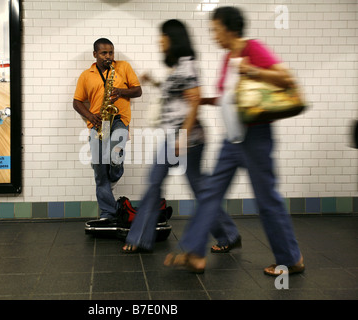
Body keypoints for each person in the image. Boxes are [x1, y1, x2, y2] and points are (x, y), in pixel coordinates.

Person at [164, 6, 305, 276]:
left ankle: (291, 259)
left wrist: (251, 70)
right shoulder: (228, 58)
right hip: (232, 141)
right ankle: (194, 253)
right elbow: (228, 98)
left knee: (267, 201)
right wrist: (204, 99)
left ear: (230, 28)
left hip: (256, 138)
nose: (213, 35)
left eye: (215, 29)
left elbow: (285, 78)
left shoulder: (253, 49)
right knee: (210, 194)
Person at [122, 19, 206, 253]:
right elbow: (176, 95)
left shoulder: (188, 65)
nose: (160, 40)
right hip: (177, 136)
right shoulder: (179, 66)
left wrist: (183, 136)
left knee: (155, 182)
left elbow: (195, 99)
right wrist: (155, 82)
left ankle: (139, 238)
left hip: (185, 137)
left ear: (172, 38)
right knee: (185, 186)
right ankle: (228, 234)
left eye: (163, 36)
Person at [73, 38, 142, 227]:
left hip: (119, 119)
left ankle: (115, 173)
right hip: (99, 122)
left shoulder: (123, 67)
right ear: (95, 54)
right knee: (99, 170)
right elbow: (77, 102)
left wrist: (121, 91)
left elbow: (138, 91)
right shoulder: (86, 75)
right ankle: (107, 213)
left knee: (115, 152)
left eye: (111, 52)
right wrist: (90, 116)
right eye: (104, 53)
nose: (108, 56)